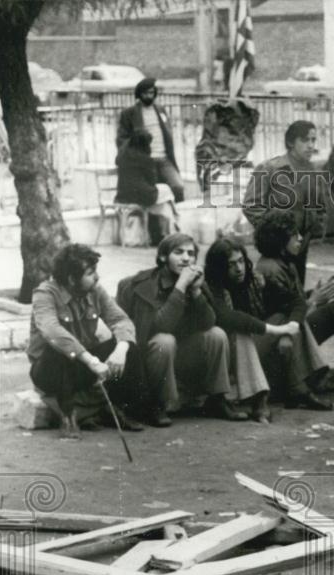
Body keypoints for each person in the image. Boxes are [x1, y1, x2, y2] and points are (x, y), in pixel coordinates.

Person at [116, 233, 248, 426]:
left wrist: (195, 291)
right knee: (165, 340)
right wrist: (180, 287)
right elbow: (161, 325)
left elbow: (208, 322)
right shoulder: (144, 284)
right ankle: (158, 405)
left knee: (216, 335)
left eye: (191, 253)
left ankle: (218, 399)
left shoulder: (194, 281)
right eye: (178, 252)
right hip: (149, 358)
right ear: (163, 257)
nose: (186, 258)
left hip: (182, 355)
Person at [28, 244, 145, 439]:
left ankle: (117, 407)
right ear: (72, 279)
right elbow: (51, 330)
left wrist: (121, 349)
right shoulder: (45, 294)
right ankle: (68, 416)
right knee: (59, 346)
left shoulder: (95, 290)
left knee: (128, 346)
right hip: (50, 371)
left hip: (83, 367)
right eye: (90, 273)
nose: (96, 277)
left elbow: (120, 320)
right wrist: (91, 360)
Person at [203, 237, 318, 422]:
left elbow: (296, 302)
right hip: (227, 359)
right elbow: (228, 317)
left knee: (288, 317)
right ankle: (260, 399)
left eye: (241, 261)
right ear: (219, 267)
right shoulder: (210, 287)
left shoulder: (255, 280)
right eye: (231, 264)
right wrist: (276, 331)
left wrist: (290, 329)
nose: (239, 269)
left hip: (254, 352)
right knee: (241, 330)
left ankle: (299, 388)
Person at [251, 211, 334, 411]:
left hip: (290, 333)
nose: (300, 238)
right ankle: (299, 390)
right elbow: (283, 315)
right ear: (280, 241)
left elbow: (291, 301)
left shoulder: (286, 261)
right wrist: (313, 301)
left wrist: (312, 294)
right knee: (290, 319)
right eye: (294, 235)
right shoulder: (269, 269)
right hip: (274, 342)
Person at [243, 120, 325, 285]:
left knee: (297, 291)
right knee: (276, 292)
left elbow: (320, 205)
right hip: (276, 248)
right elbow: (251, 205)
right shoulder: (270, 168)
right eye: (305, 140)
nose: (310, 145)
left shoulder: (313, 171)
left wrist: (313, 228)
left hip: (301, 247)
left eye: (313, 140)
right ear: (290, 142)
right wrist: (274, 233)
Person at [116, 77, 184, 202]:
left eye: (151, 93)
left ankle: (174, 219)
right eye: (145, 93)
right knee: (151, 194)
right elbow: (121, 140)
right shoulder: (129, 113)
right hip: (145, 162)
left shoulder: (161, 110)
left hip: (164, 159)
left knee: (178, 187)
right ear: (139, 94)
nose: (149, 96)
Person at [114, 130, 176, 246]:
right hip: (142, 196)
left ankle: (169, 228)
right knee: (166, 191)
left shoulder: (122, 157)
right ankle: (172, 227)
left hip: (123, 195)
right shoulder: (146, 159)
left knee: (164, 202)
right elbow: (152, 182)